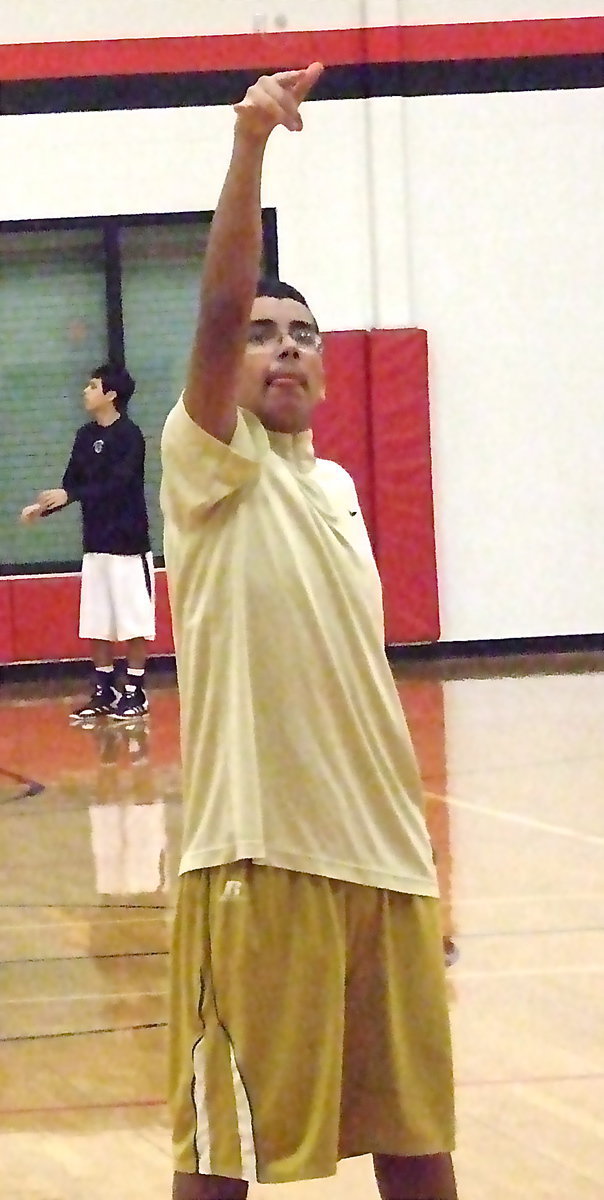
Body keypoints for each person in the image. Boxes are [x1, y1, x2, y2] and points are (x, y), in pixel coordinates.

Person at [160, 64, 457, 1200]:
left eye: (303, 336)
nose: (280, 346)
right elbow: (219, 305)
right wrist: (250, 145)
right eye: (262, 335)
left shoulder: (333, 486)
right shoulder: (207, 468)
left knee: (419, 1143)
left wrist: (422, 863)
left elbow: (366, 699)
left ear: (329, 371)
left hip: (381, 864)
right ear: (225, 371)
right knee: (225, 1160)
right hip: (260, 859)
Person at [20, 363, 154, 722]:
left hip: (128, 544)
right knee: (98, 621)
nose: (85, 391)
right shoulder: (83, 436)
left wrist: (71, 494)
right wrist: (43, 508)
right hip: (95, 545)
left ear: (111, 395)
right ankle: (104, 689)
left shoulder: (130, 436)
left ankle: (135, 691)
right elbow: (70, 485)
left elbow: (119, 484)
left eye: (92, 385)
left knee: (133, 621)